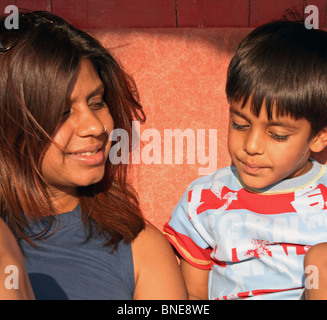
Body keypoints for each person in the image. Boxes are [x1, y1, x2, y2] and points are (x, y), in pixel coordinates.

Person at [0, 10, 187, 300]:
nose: (95, 126)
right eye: (63, 113)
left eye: (97, 102)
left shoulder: (140, 250)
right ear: (11, 123)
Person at [164, 19, 327, 300]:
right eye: (240, 125)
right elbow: (194, 293)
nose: (251, 146)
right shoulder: (206, 199)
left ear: (318, 137)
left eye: (276, 135)